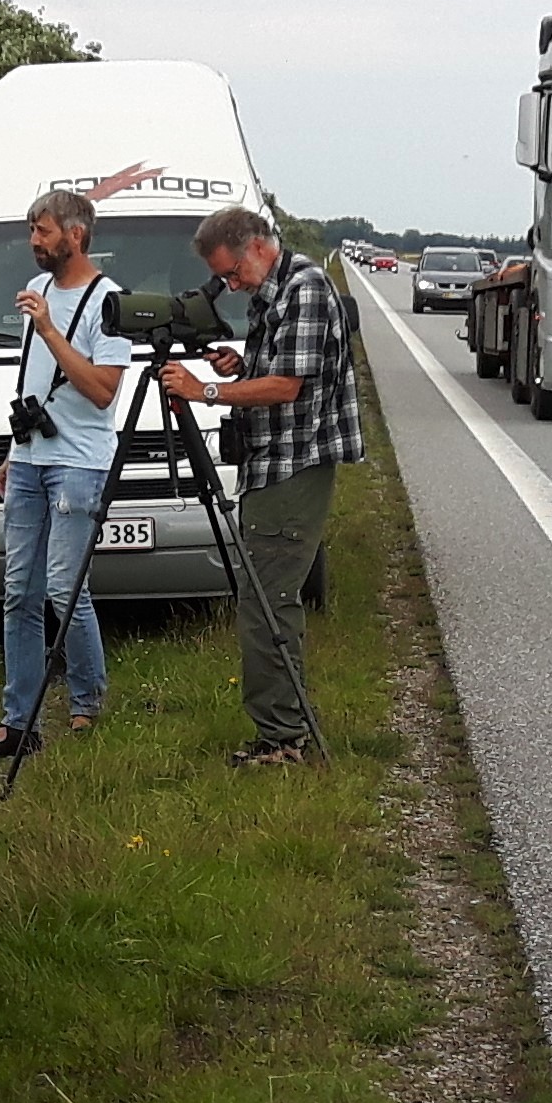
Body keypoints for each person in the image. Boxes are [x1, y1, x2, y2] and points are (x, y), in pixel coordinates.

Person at [160, 205, 361, 767]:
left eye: (231, 273)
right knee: (261, 598)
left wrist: (207, 392)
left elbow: (289, 387)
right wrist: (240, 364)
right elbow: (277, 367)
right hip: (271, 463)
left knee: (267, 600)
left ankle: (283, 738)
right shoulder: (273, 293)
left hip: (293, 465)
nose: (229, 285)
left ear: (255, 247)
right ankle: (281, 730)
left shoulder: (306, 289)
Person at [0, 187, 131, 756]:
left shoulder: (107, 302)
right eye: (31, 231)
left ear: (75, 234)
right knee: (18, 589)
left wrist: (50, 329)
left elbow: (102, 391)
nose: (34, 242)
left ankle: (86, 703)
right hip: (31, 458)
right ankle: (18, 720)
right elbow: (33, 383)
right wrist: (12, 453)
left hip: (79, 463)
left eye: (43, 232)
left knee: (65, 590)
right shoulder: (39, 291)